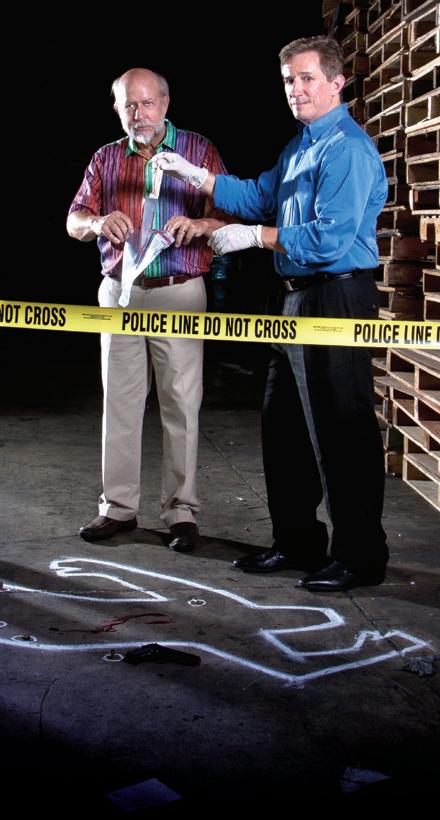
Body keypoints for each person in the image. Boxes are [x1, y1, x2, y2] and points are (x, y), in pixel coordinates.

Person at [153, 35, 389, 591]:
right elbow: (261, 196)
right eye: (288, 80)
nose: (296, 90)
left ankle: (360, 556)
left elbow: (329, 240)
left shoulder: (347, 150)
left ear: (336, 82)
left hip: (337, 296)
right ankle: (298, 542)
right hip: (294, 296)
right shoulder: (301, 145)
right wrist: (199, 177)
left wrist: (255, 237)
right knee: (284, 425)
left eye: (307, 78)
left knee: (342, 428)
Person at [66, 68, 229, 553]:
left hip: (179, 290)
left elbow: (229, 216)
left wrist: (200, 226)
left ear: (166, 103)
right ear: (118, 109)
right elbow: (74, 219)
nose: (139, 114)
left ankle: (181, 512)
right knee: (119, 401)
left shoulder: (199, 150)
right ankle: (117, 508)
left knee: (181, 402)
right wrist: (98, 223)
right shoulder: (105, 158)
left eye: (147, 103)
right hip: (119, 292)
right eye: (129, 106)